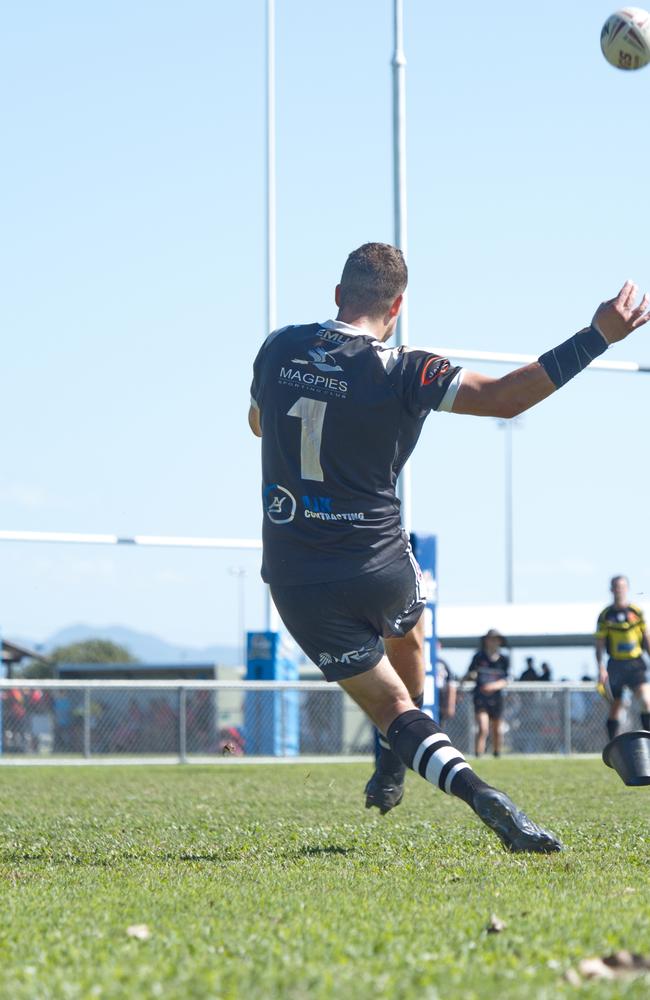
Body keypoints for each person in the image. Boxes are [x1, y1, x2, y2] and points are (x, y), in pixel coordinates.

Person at [249, 241, 649, 852]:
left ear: (337, 295)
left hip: (295, 572)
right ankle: (395, 754)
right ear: (398, 305)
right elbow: (505, 397)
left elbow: (257, 422)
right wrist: (597, 336)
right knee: (408, 628)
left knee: (390, 707)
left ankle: (467, 786)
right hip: (377, 560)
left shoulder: (278, 347)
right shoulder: (407, 368)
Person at [596, 575, 650, 742]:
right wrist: (601, 667)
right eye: (616, 587)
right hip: (616, 665)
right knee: (616, 706)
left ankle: (648, 740)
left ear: (627, 588)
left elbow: (646, 637)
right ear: (611, 590)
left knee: (646, 701)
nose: (619, 590)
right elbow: (599, 643)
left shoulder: (636, 612)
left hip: (635, 663)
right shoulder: (606, 615)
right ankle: (613, 745)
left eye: (622, 587)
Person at [462, 630, 510, 757]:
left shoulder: (504, 659)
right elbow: (469, 673)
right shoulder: (479, 657)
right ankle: (479, 755)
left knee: (497, 729)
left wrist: (493, 686)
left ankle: (496, 753)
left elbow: (506, 679)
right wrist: (470, 677)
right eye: (490, 639)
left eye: (496, 639)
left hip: (496, 697)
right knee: (483, 728)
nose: (493, 642)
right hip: (481, 696)